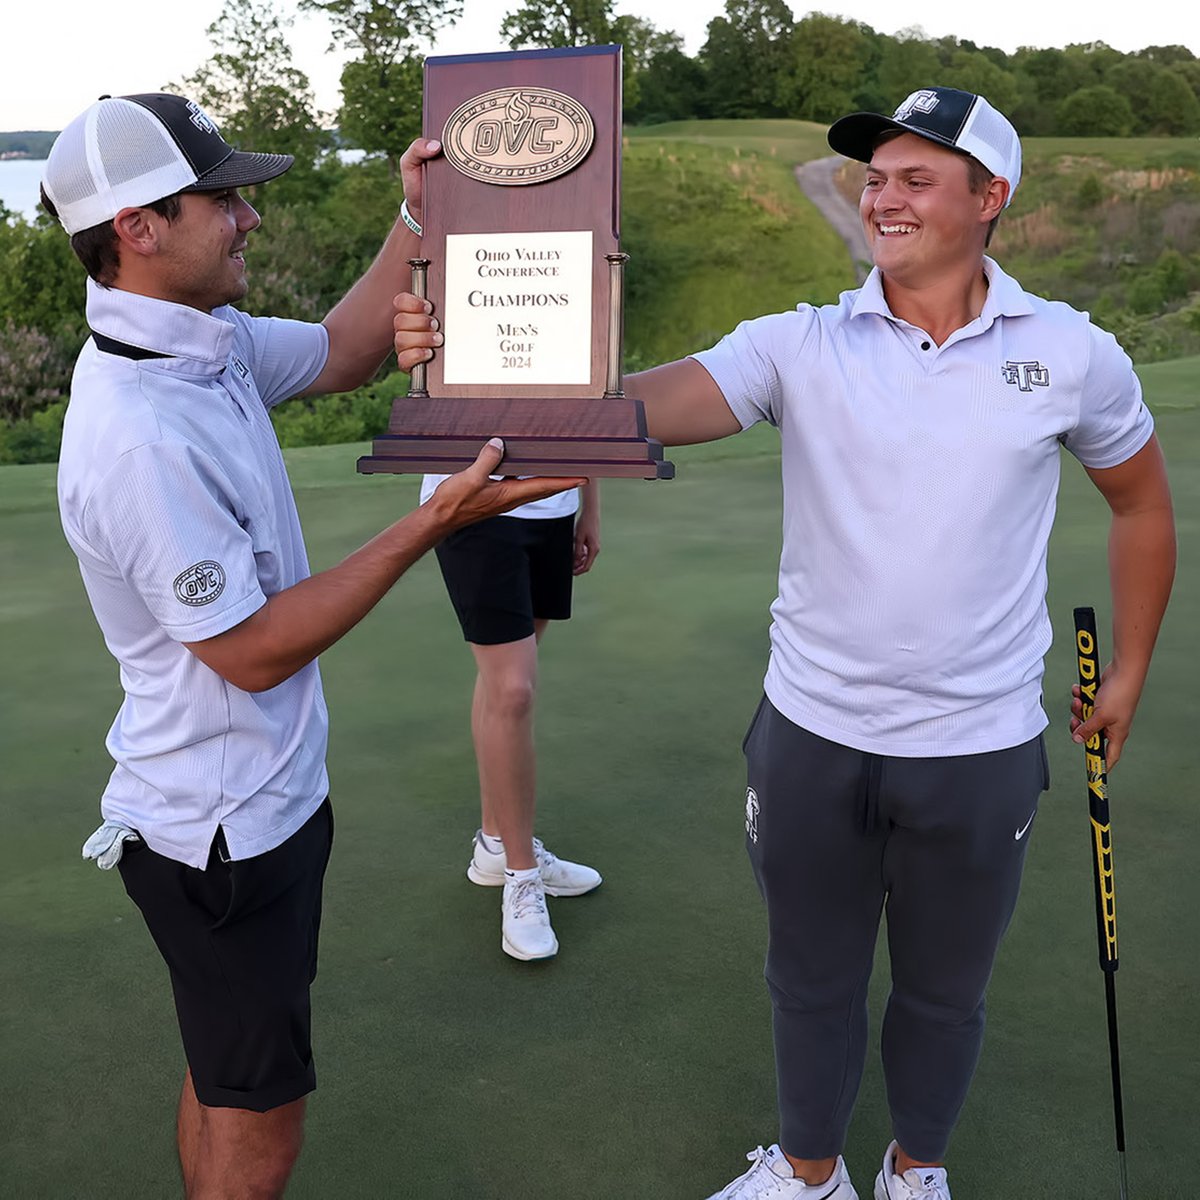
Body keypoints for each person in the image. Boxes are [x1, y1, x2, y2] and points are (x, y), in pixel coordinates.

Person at [393, 87, 1176, 1199]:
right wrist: (464, 355)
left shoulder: (1073, 355)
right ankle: (810, 1175)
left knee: (946, 993)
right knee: (810, 980)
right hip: (813, 735)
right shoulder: (798, 345)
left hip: (980, 745)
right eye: (875, 175)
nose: (882, 196)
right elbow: (620, 412)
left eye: (916, 177)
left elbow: (1141, 505)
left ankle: (915, 1171)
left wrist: (1133, 671)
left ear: (990, 197)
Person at [44, 92, 580, 1199]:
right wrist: (434, 521)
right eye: (222, 199)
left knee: (225, 1076)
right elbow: (250, 650)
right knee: (261, 1134)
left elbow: (344, 349)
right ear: (138, 228)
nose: (248, 220)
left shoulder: (210, 345)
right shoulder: (141, 432)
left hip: (244, 807)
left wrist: (417, 218)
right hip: (224, 832)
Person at [421, 460, 603, 962]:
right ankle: (521, 878)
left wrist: (589, 504)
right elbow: (409, 375)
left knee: (504, 683)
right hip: (474, 503)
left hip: (554, 505)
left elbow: (588, 397)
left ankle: (494, 846)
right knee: (514, 689)